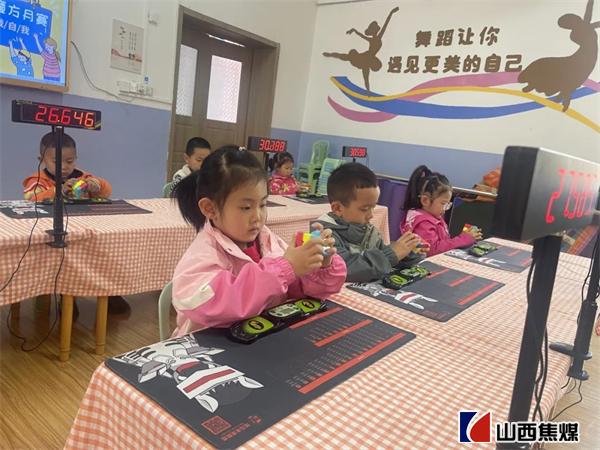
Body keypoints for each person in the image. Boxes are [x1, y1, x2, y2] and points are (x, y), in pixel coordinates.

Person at [171, 145, 347, 336]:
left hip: (259, 337)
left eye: (263, 204)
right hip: (210, 345)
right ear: (210, 208)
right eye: (246, 207)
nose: (258, 217)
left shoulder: (268, 241)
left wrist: (318, 266)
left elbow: (299, 291)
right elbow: (213, 305)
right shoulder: (203, 254)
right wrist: (285, 269)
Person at [313, 162, 426, 283]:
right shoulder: (322, 234)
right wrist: (392, 255)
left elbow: (384, 257)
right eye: (365, 209)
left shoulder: (369, 231)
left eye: (373, 207)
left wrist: (408, 252)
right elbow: (346, 268)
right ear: (338, 208)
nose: (371, 215)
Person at [401, 165, 481, 257]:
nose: (445, 208)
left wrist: (467, 237)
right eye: (443, 203)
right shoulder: (423, 223)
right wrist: (464, 239)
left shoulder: (433, 215)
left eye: (448, 204)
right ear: (425, 200)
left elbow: (443, 242)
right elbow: (431, 250)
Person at [23, 132, 112, 201]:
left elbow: (106, 194)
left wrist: (97, 186)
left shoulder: (84, 178)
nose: (63, 167)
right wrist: (59, 191)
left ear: (75, 159)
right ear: (42, 160)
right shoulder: (37, 181)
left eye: (69, 161)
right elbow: (31, 200)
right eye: (56, 162)